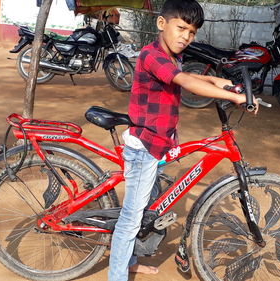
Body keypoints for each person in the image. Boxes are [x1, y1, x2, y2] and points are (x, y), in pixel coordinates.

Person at [108, 1, 257, 280]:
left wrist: (227, 84)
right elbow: (186, 82)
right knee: (131, 218)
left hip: (160, 143)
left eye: (192, 32)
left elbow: (191, 76)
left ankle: (130, 259)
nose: (186, 36)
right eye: (181, 28)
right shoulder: (151, 55)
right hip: (145, 147)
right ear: (161, 24)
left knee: (146, 210)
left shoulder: (171, 55)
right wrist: (233, 96)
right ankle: (117, 274)